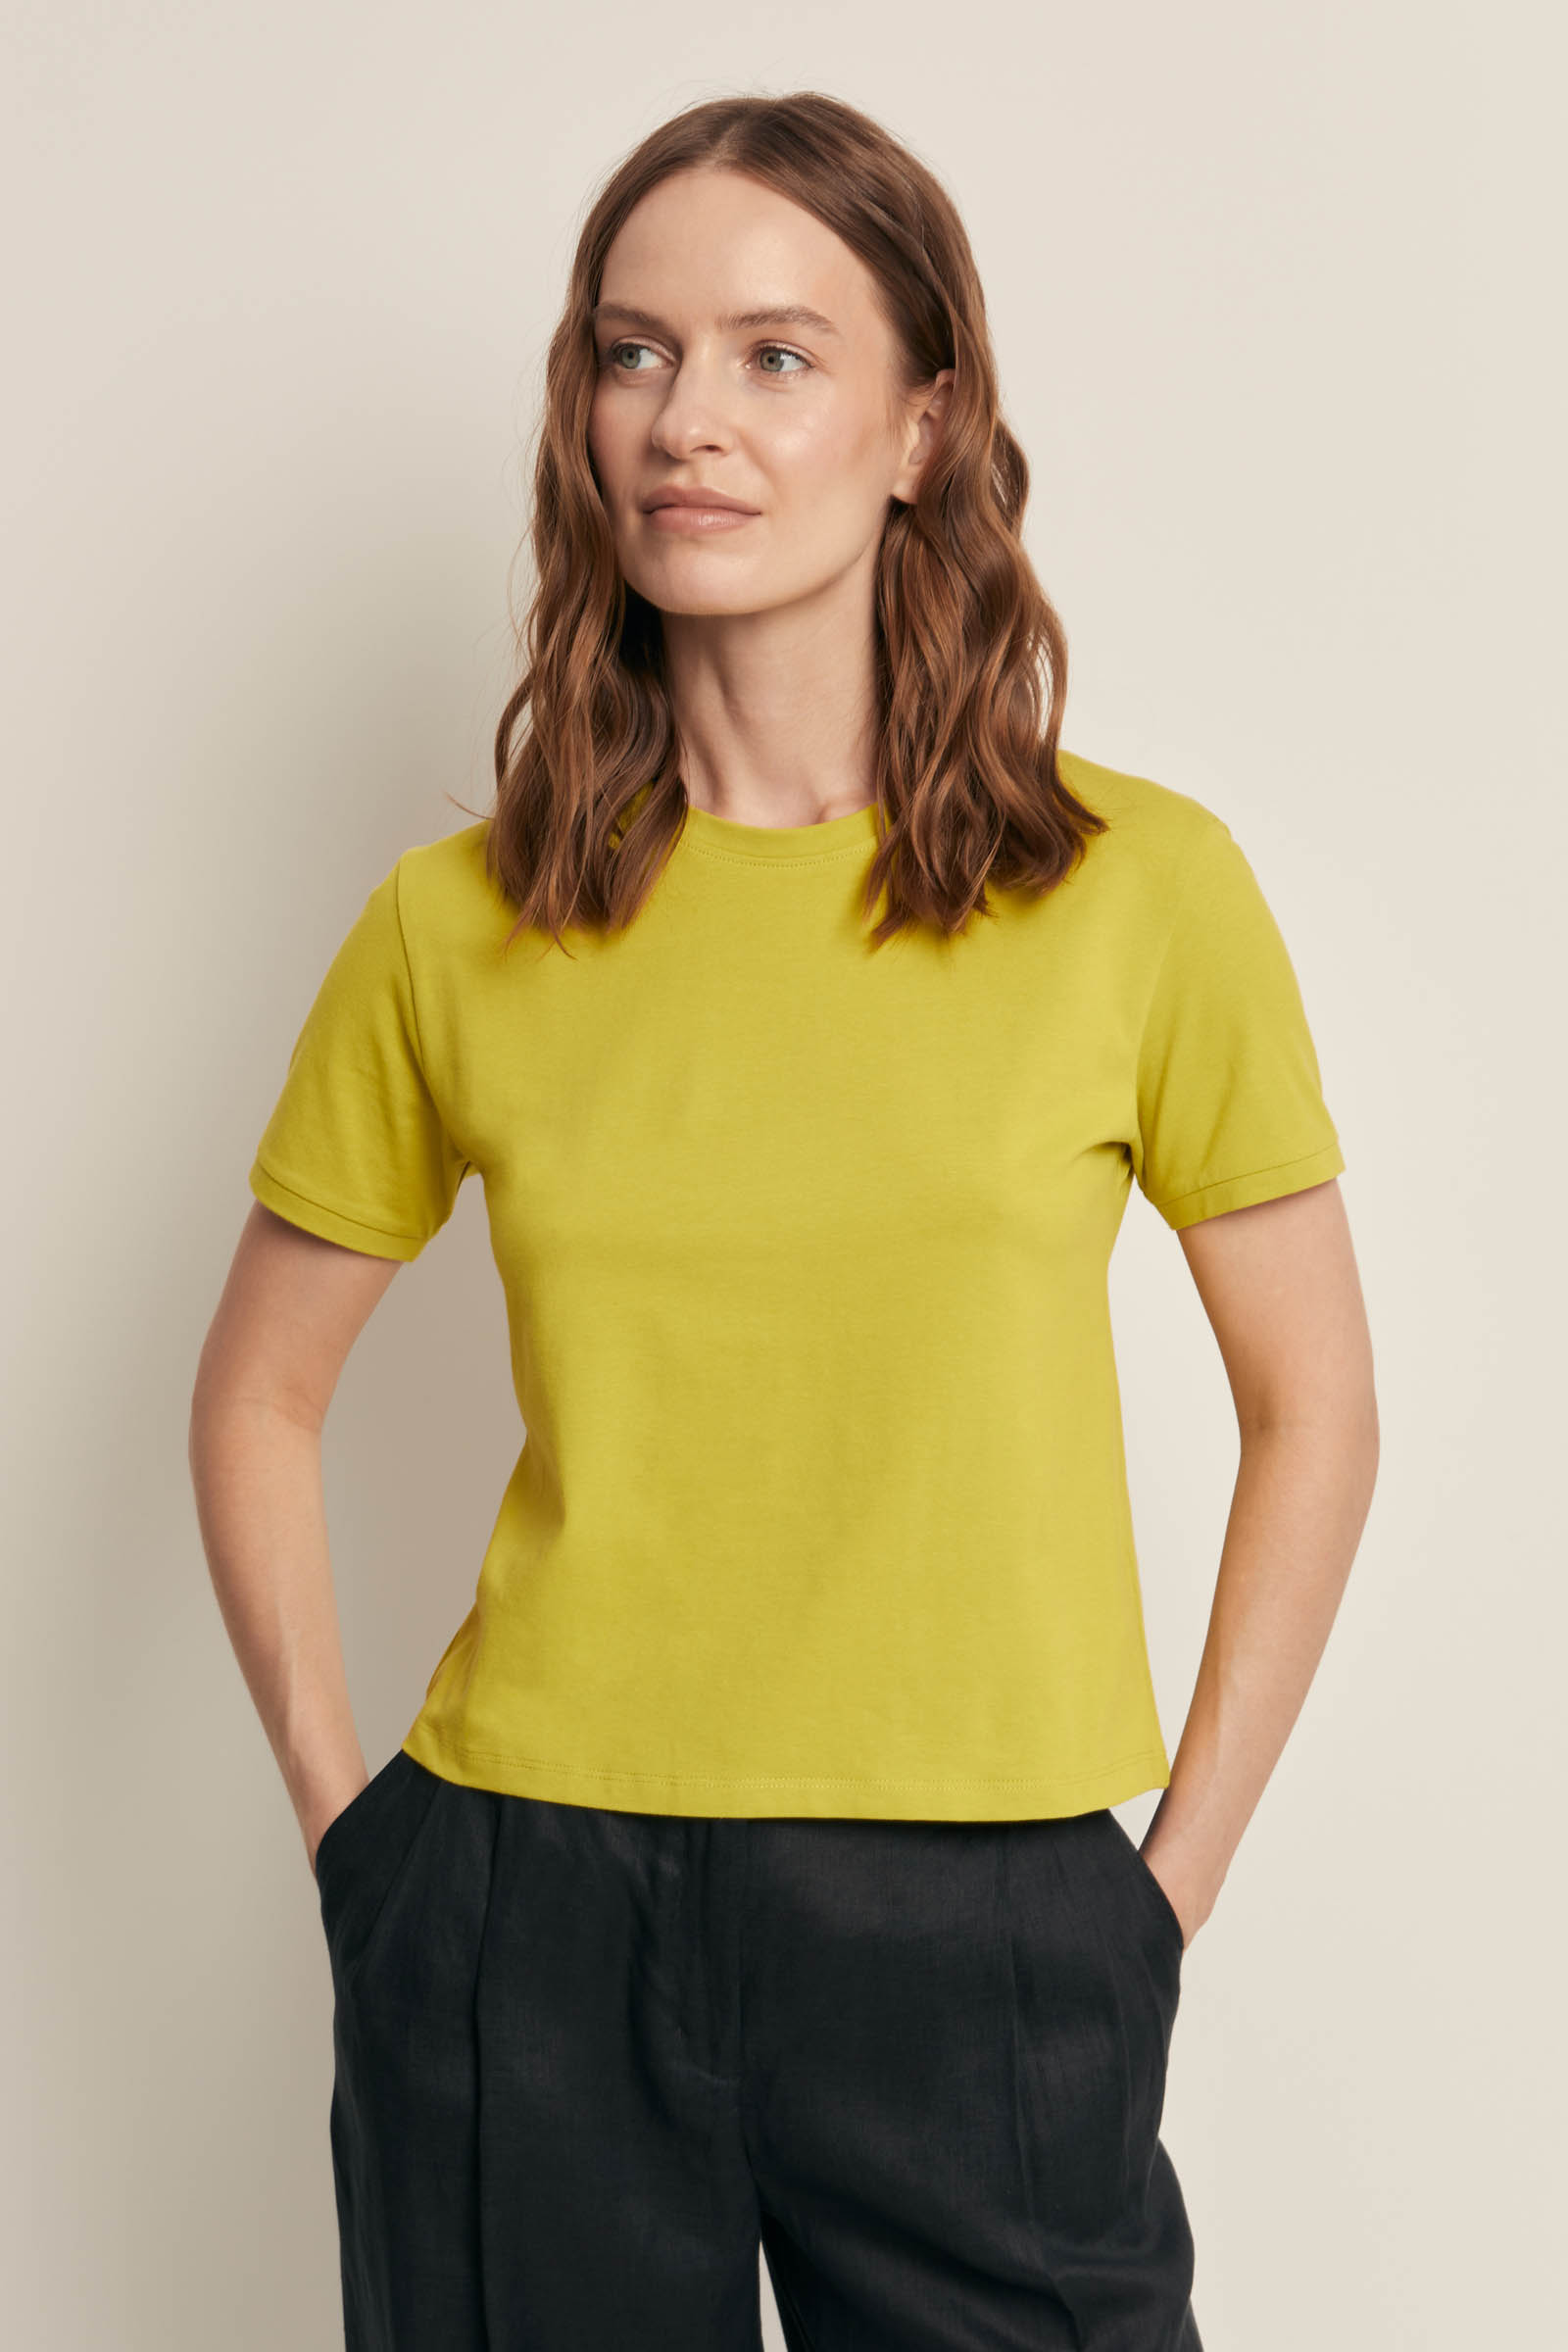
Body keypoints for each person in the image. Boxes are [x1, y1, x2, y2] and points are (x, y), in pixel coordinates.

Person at [189, 88, 1378, 2352]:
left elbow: (1312, 1405)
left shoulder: (1137, 897)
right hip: (527, 1901)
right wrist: (366, 1851)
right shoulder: (456, 927)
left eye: (773, 355)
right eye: (630, 353)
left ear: (923, 425)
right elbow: (254, 1396)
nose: (685, 423)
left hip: (987, 1920)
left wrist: (1158, 1898)